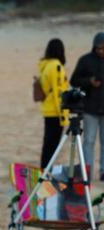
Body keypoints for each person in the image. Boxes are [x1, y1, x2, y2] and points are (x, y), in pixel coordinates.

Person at [69, 32, 104, 179]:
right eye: (98, 48)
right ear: (94, 47)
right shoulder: (85, 60)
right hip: (90, 107)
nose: (101, 51)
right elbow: (74, 80)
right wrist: (89, 81)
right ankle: (87, 171)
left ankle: (103, 171)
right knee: (88, 140)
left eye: (103, 48)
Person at [38, 39, 70, 170]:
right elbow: (58, 93)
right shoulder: (56, 66)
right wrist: (63, 115)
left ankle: (44, 170)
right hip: (55, 111)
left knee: (48, 144)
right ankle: (46, 171)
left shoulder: (45, 64)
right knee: (52, 145)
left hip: (48, 109)